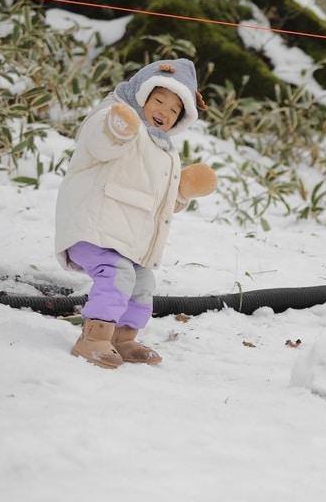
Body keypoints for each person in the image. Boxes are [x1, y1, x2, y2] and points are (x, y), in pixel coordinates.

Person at [55, 59, 219, 368]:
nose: (164, 111)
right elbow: (100, 145)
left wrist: (181, 190)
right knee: (117, 275)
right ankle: (93, 337)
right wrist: (117, 130)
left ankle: (123, 337)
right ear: (142, 95)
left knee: (143, 284)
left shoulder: (165, 151)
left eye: (174, 110)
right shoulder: (112, 116)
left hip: (127, 241)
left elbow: (159, 203)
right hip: (92, 226)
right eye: (159, 100)